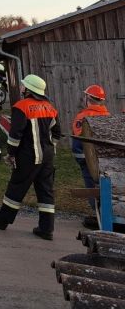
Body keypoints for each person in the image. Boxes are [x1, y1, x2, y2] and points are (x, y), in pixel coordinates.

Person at [0, 74, 62, 240]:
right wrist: (50, 148)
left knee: (16, 186)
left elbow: (15, 135)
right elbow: (57, 133)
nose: (21, 87)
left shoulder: (21, 106)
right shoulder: (50, 107)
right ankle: (47, 229)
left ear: (29, 89)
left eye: (23, 85)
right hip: (46, 158)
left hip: (28, 156)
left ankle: (2, 220)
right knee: (45, 191)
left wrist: (11, 154)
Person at [71, 84, 109, 228]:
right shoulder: (108, 117)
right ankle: (104, 214)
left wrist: (80, 159)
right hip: (106, 162)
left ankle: (99, 216)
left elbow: (78, 138)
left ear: (88, 98)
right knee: (105, 187)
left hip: (86, 160)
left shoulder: (82, 116)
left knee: (92, 188)